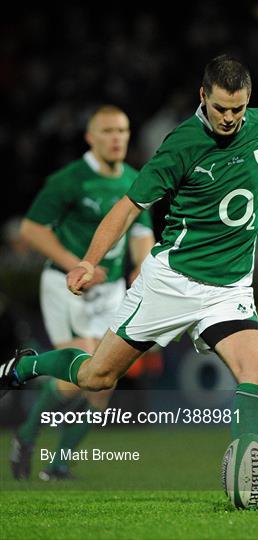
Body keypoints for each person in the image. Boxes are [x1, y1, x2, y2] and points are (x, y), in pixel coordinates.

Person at [1, 55, 258, 496]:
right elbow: (128, 208)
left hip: (229, 289)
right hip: (171, 283)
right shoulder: (180, 144)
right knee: (95, 378)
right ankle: (24, 365)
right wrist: (89, 259)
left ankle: (247, 472)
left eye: (237, 109)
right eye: (221, 108)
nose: (229, 118)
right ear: (203, 96)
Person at [8, 105, 155, 480]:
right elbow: (32, 229)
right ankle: (26, 435)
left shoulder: (137, 180)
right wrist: (77, 262)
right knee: (84, 365)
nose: (117, 138)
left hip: (110, 291)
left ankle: (57, 464)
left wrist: (142, 265)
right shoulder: (69, 180)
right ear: (90, 137)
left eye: (122, 131)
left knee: (102, 386)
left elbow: (140, 234)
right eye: (107, 131)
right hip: (66, 285)